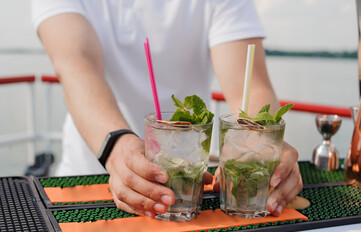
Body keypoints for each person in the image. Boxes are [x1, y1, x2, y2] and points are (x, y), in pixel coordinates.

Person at [32, 0, 302, 218]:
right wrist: (116, 149)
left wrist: (260, 146)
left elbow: (249, 84)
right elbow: (77, 63)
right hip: (87, 179)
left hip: (187, 190)